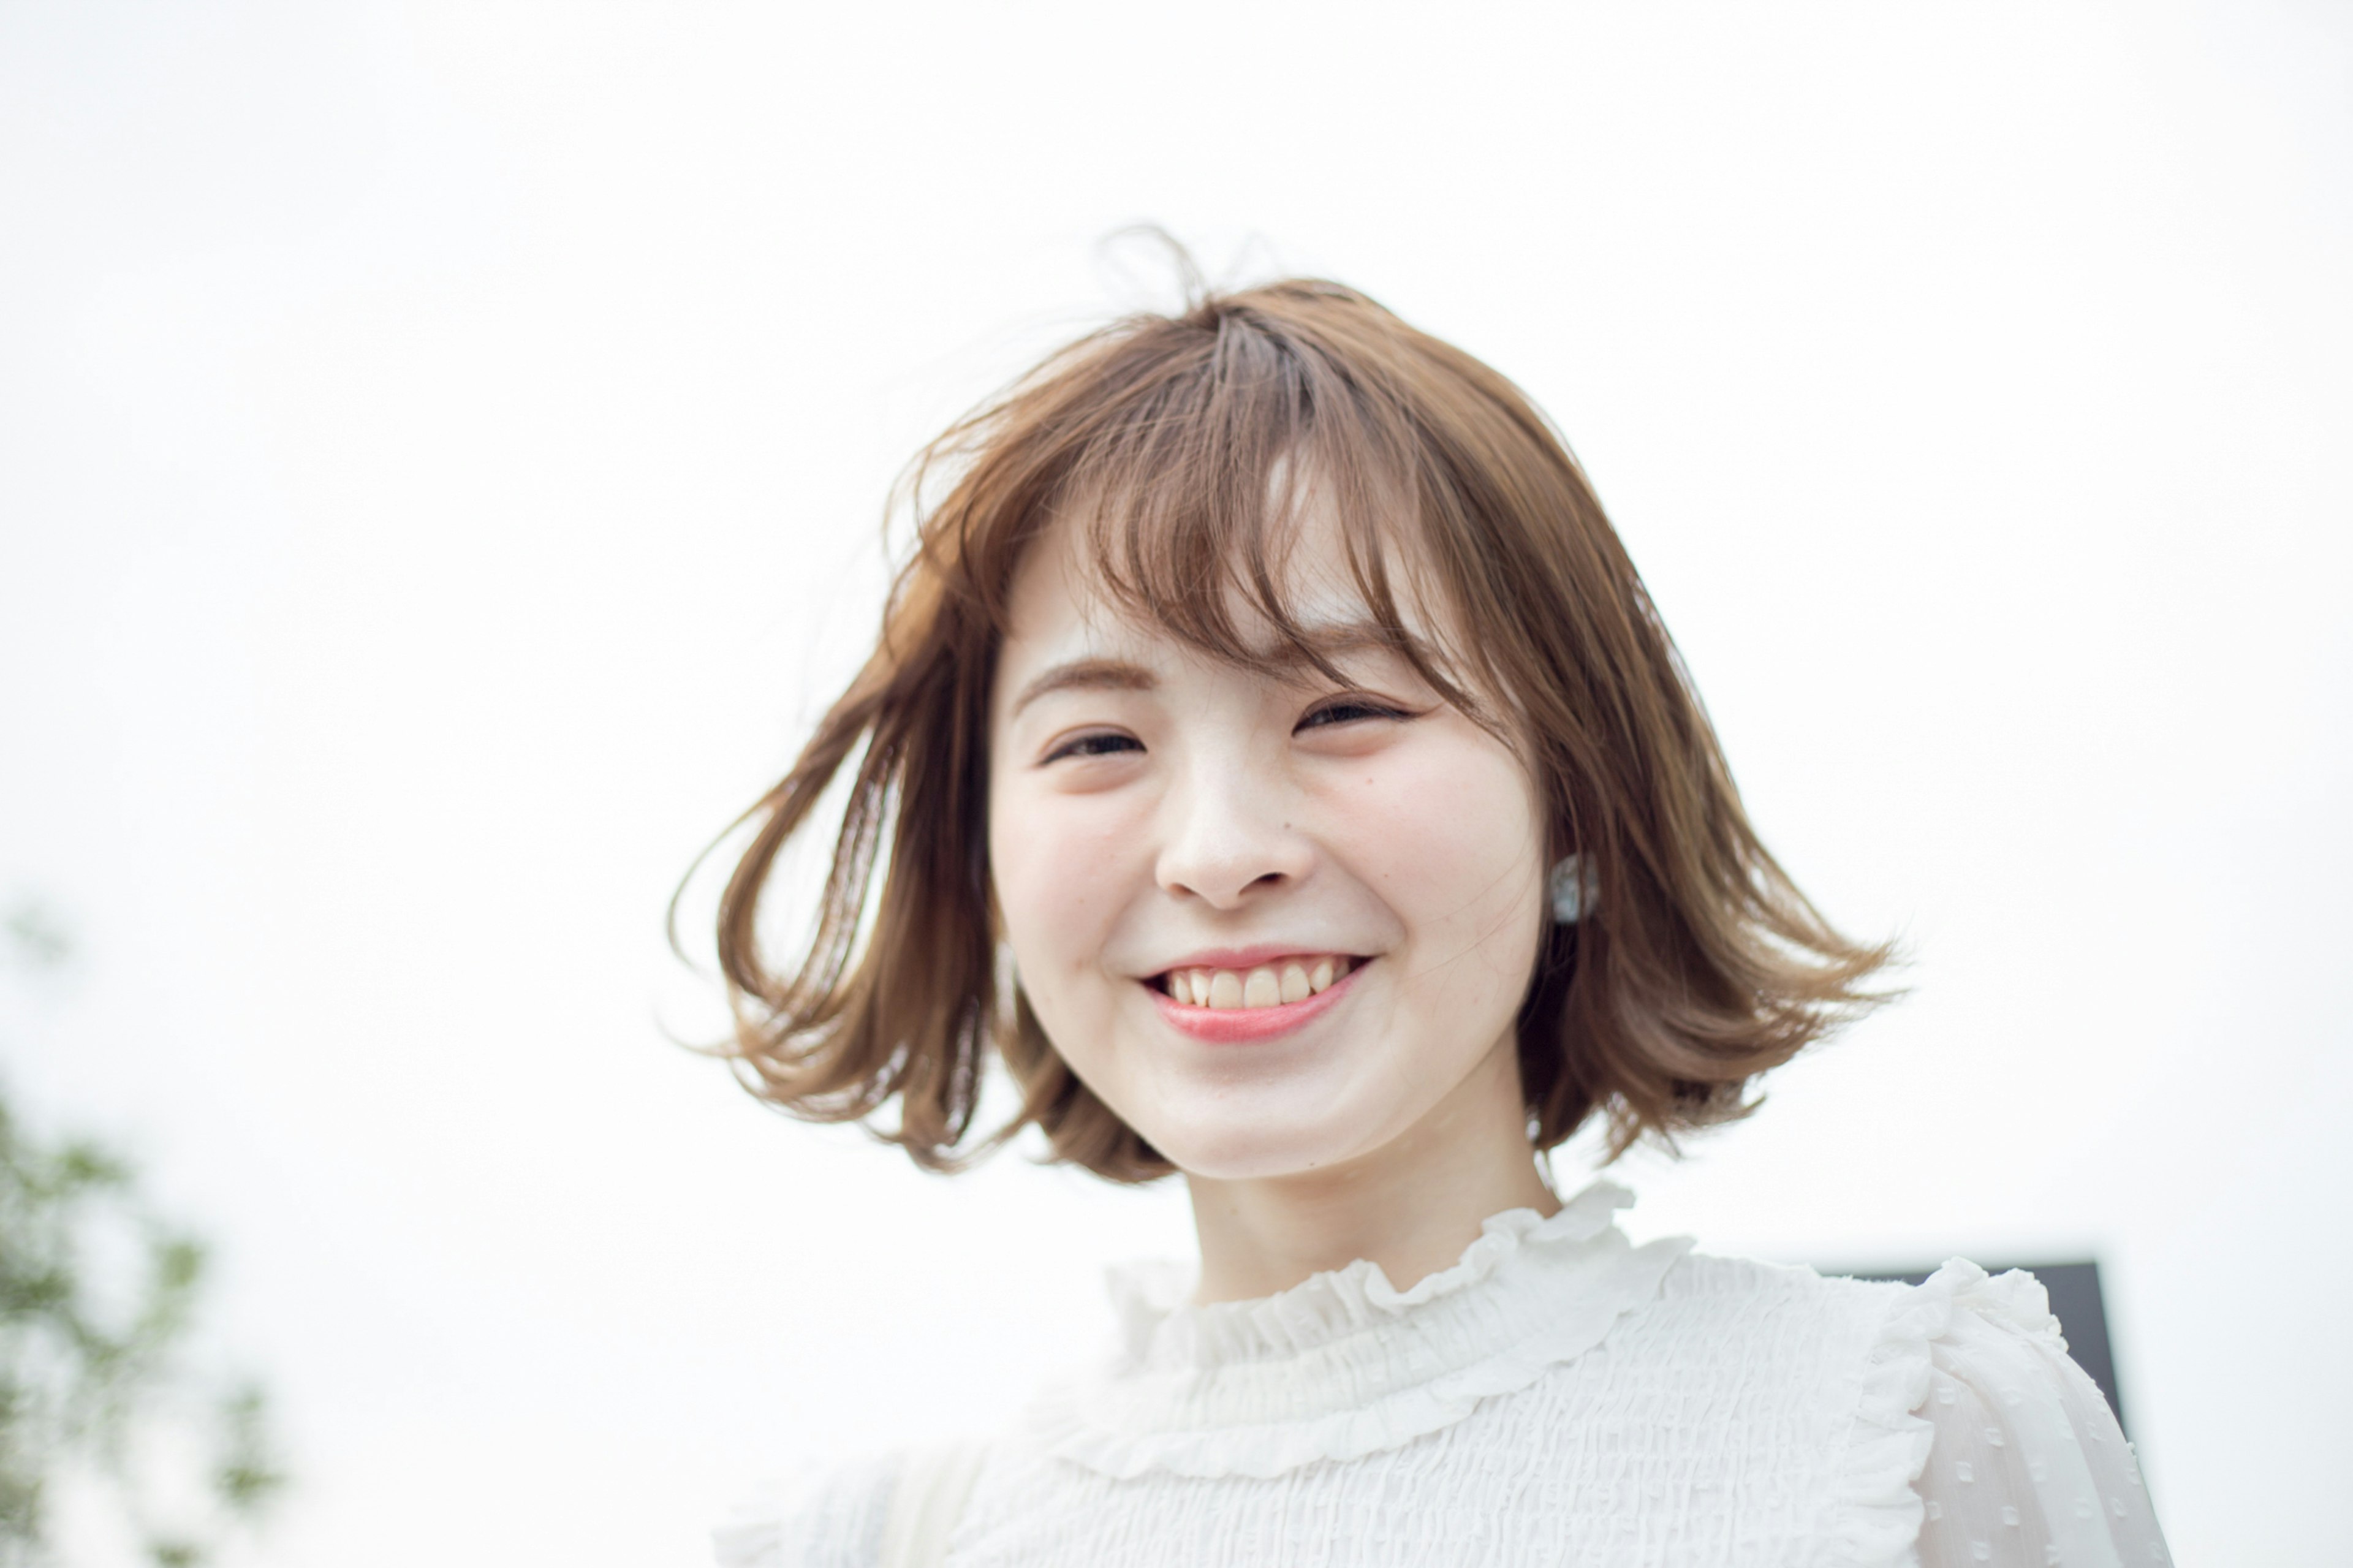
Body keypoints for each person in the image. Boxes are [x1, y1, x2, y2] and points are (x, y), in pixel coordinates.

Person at [699, 272, 2171, 1567]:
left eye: (1345, 708)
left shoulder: (1911, 1442)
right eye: (1098, 741)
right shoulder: (854, 1545)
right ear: (981, 849)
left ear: (1580, 798)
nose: (1217, 853)